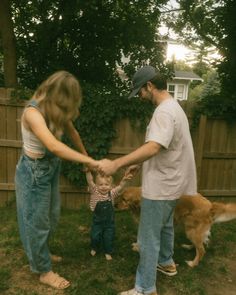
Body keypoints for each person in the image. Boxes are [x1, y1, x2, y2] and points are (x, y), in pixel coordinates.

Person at [98, 65, 197, 295]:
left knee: (148, 236)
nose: (140, 97)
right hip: (173, 184)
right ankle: (167, 262)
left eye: (140, 92)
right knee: (165, 227)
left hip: (160, 187)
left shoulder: (163, 112)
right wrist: (138, 163)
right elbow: (164, 147)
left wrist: (117, 164)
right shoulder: (175, 108)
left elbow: (154, 146)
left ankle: (144, 288)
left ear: (150, 86)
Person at [15, 71, 98, 290]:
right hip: (34, 172)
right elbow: (53, 146)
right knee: (36, 222)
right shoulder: (33, 112)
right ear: (57, 95)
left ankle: (42, 253)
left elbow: (73, 133)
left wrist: (86, 160)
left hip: (49, 168)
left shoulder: (54, 108)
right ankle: (43, 270)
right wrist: (95, 163)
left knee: (51, 216)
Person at [85, 169, 133, 260]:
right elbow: (90, 181)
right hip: (97, 222)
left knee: (108, 237)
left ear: (110, 186)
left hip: (109, 222)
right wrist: (87, 172)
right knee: (94, 236)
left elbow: (120, 187)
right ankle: (94, 247)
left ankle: (108, 251)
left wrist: (124, 180)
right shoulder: (95, 191)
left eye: (106, 185)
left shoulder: (112, 193)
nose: (103, 187)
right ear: (97, 185)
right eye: (101, 184)